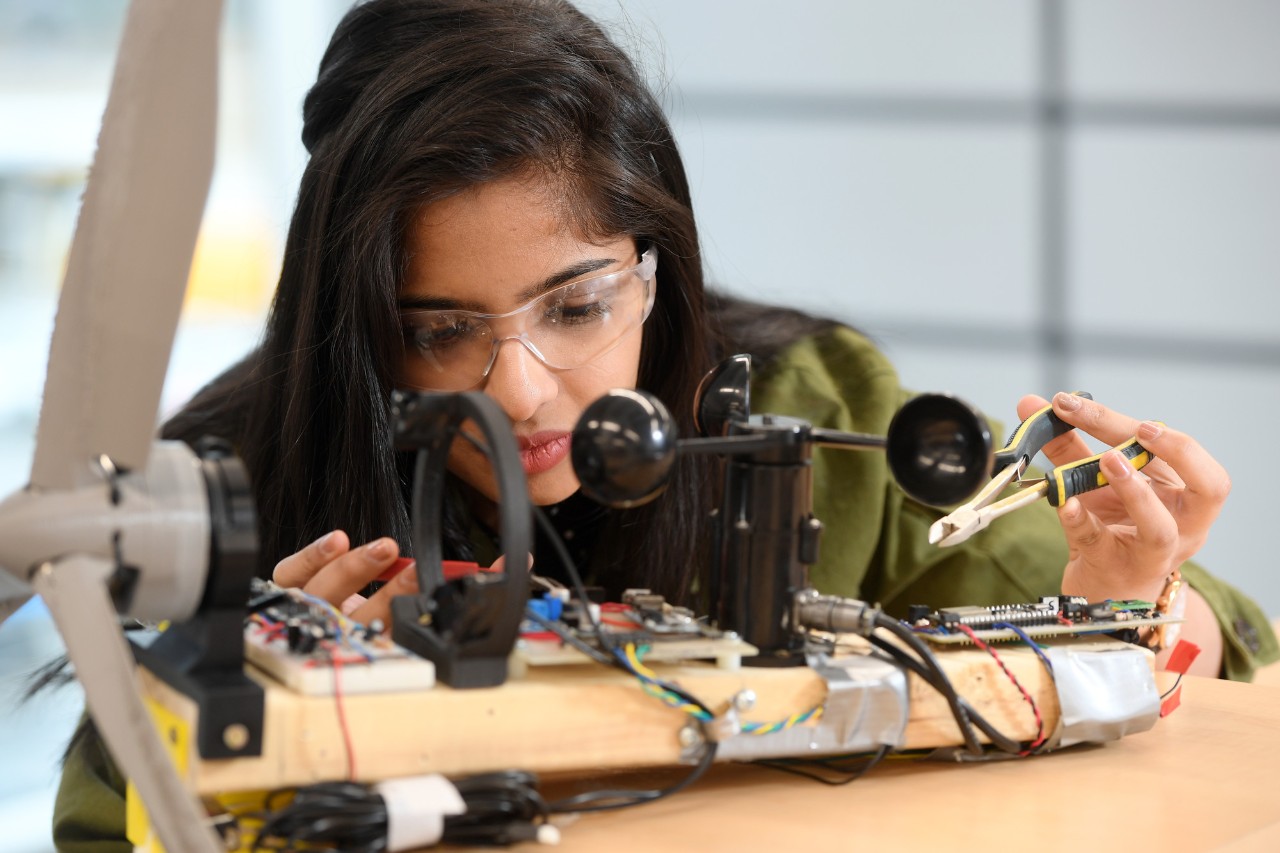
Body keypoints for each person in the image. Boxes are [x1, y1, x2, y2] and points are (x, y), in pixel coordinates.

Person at [52, 0, 1277, 849]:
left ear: (657, 270)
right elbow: (103, 828)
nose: (521, 390)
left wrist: (1130, 598)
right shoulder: (221, 480)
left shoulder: (817, 403)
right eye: (434, 331)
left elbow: (1207, 652)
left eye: (577, 305)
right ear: (350, 321)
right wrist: (264, 699)